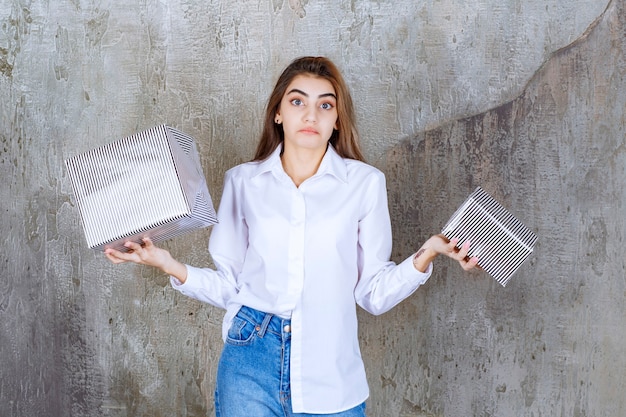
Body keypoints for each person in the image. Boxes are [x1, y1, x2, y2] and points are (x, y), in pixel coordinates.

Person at [105, 56, 479, 417]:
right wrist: (167, 263)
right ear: (278, 113)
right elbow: (231, 285)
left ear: (337, 120)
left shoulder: (365, 184)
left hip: (330, 371)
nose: (311, 114)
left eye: (325, 105)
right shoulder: (243, 182)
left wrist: (426, 254)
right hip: (249, 358)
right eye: (297, 101)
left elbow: (372, 295)